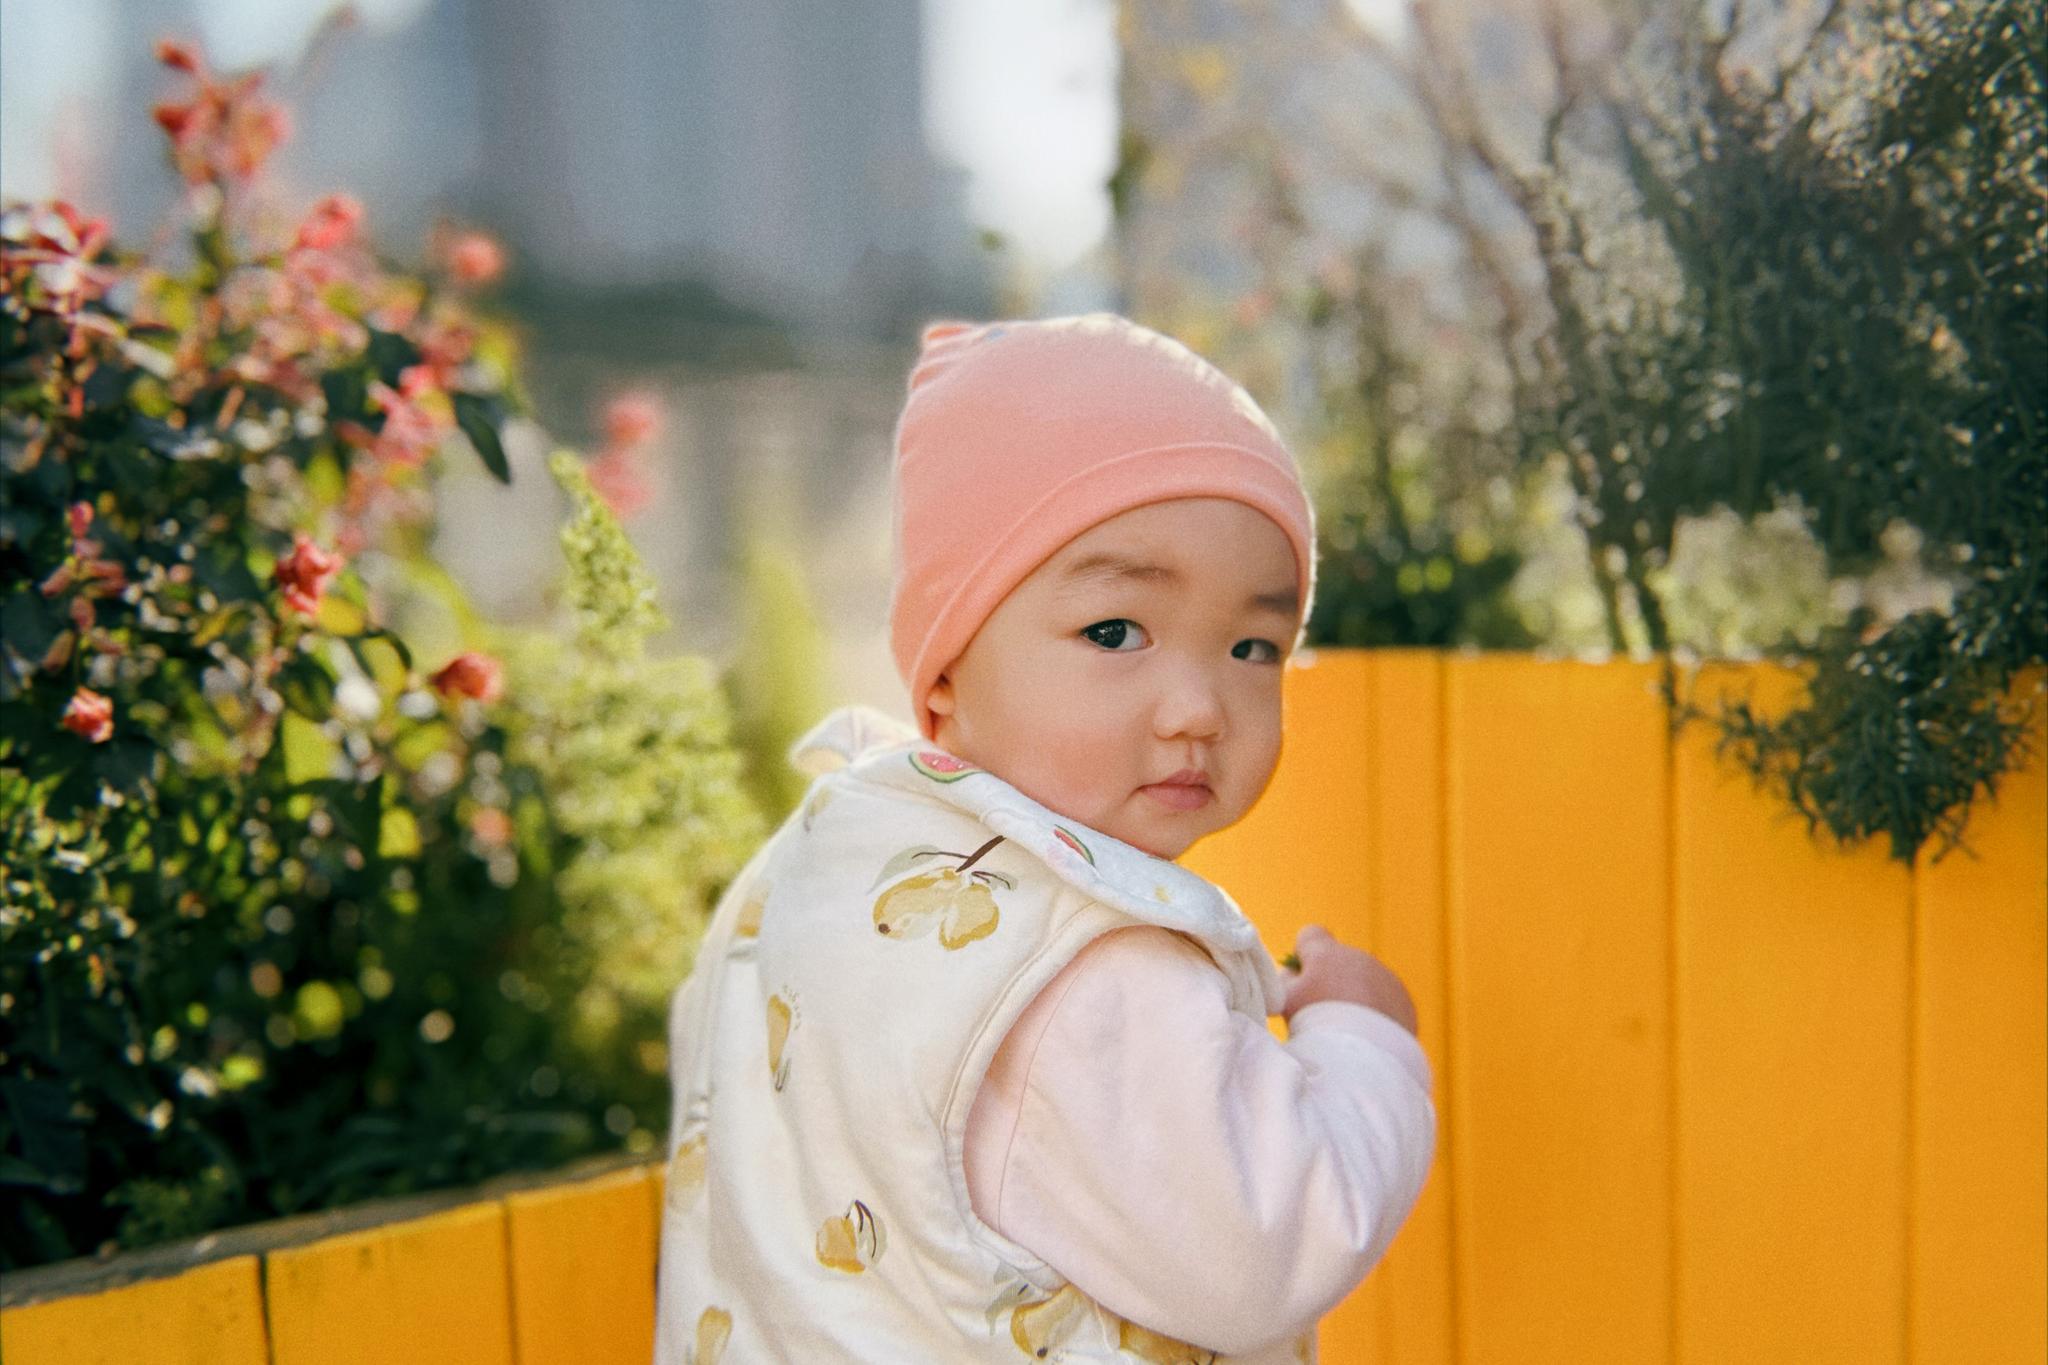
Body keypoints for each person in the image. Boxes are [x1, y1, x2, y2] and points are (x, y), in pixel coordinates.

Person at [654, 314, 1435, 1364]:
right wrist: (1363, 1043)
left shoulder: (811, 867)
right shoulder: (1084, 966)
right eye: (1115, 632)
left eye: (1255, 646)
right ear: (943, 678)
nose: (1198, 706)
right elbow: (1266, 1246)